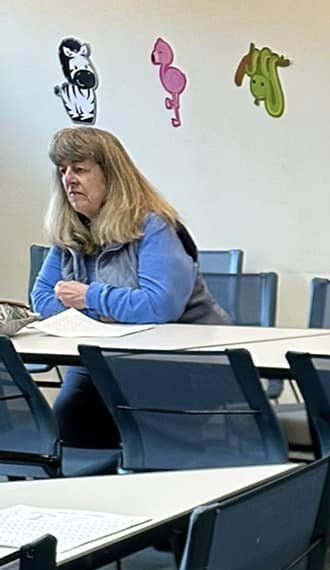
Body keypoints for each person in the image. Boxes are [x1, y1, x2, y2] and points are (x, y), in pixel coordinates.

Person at [31, 126, 226, 450]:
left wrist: (88, 298)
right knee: (68, 420)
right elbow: (41, 299)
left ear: (111, 176)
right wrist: (104, 312)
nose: (69, 179)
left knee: (140, 433)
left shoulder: (155, 225)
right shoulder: (71, 229)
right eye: (63, 170)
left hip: (181, 364)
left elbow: (159, 307)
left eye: (80, 169)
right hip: (104, 358)